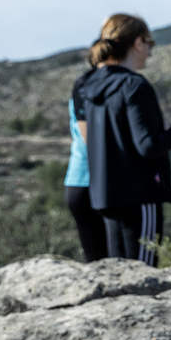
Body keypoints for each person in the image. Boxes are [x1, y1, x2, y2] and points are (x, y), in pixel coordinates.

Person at [77, 14, 171, 265]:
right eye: (150, 44)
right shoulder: (134, 86)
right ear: (138, 43)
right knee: (143, 270)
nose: (150, 52)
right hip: (139, 195)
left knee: (117, 272)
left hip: (105, 194)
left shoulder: (91, 86)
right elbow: (149, 146)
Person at [64, 64, 107, 262]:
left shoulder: (81, 87)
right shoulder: (95, 91)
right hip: (97, 183)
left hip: (76, 181)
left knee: (95, 260)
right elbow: (92, 139)